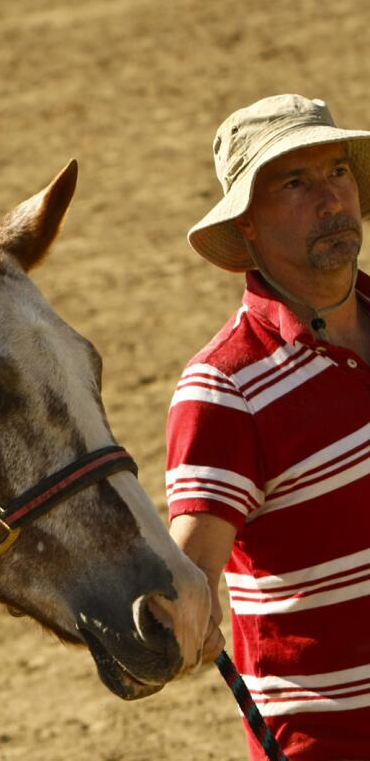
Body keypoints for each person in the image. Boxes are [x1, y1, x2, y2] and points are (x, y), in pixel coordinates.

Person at [167, 93, 370, 759]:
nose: (331, 198)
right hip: (332, 741)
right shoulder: (224, 389)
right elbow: (189, 577)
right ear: (247, 223)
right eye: (295, 182)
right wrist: (187, 608)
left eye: (338, 170)